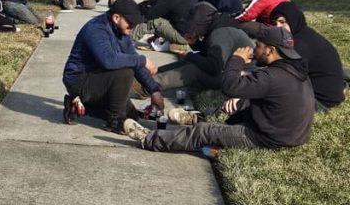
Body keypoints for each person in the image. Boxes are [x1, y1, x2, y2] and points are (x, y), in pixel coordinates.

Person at [125, 26, 314, 154]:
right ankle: (195, 117)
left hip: (270, 138)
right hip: (291, 133)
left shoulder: (272, 76)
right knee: (240, 107)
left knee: (204, 132)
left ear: (271, 50)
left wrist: (236, 59)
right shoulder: (294, 71)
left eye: (258, 46)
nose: (254, 49)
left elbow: (229, 86)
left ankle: (149, 139)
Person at [62, 0, 165, 133]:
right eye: (130, 22)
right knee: (125, 72)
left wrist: (154, 91)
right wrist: (143, 60)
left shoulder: (121, 32)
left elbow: (133, 60)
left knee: (132, 117)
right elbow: (109, 60)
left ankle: (76, 107)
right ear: (116, 18)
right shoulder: (96, 29)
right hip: (79, 80)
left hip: (99, 78)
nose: (133, 26)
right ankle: (115, 121)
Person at [153, 2, 252, 91]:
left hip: (242, 79)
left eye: (195, 28)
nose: (194, 31)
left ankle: (149, 86)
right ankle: (152, 74)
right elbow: (209, 54)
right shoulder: (218, 26)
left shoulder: (220, 34)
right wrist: (195, 44)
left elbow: (213, 67)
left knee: (192, 71)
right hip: (233, 73)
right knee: (189, 61)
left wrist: (190, 56)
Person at [271, 2, 346, 110]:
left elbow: (281, 76)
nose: (278, 27)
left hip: (321, 101)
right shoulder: (304, 34)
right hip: (325, 95)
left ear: (293, 21)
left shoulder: (300, 45)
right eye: (274, 23)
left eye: (282, 22)